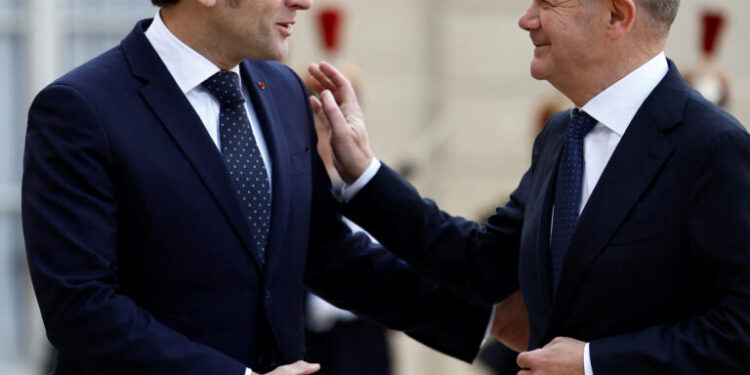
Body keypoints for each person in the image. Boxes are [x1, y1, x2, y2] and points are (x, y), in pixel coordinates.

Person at [22, 1, 496, 374]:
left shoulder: (284, 90)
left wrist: (487, 321)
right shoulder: (80, 109)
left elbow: (326, 253)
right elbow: (81, 307)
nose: (303, 2)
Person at [309, 0, 750, 373]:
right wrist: (364, 173)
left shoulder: (713, 146)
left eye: (549, 2)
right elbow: (480, 263)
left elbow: (742, 327)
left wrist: (595, 362)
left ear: (617, 16)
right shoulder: (561, 136)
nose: (527, 18)